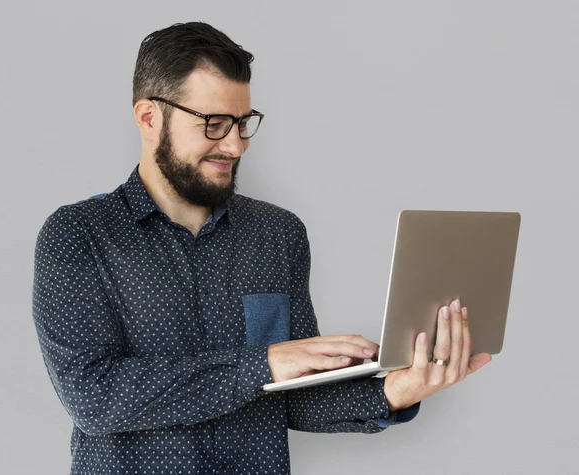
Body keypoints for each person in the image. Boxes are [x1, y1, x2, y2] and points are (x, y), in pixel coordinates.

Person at [32, 21, 492, 475]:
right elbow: (94, 397)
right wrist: (264, 362)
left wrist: (397, 389)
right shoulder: (77, 236)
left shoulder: (278, 234)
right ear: (150, 117)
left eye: (242, 123)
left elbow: (291, 397)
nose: (234, 145)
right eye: (213, 124)